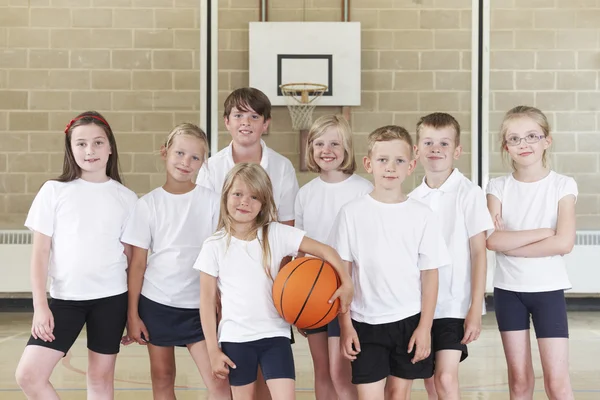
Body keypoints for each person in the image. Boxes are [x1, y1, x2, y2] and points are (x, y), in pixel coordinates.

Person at [196, 163, 354, 400]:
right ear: (226, 195)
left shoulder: (276, 234)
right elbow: (207, 302)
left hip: (274, 336)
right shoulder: (214, 245)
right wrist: (212, 350)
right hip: (235, 338)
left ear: (264, 203)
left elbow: (327, 251)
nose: (244, 202)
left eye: (254, 196)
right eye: (237, 194)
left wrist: (346, 283)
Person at [15, 111, 138, 399]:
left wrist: (133, 313)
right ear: (71, 149)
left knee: (100, 379)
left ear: (110, 147)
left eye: (97, 143)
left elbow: (133, 262)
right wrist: (40, 306)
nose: (89, 150)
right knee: (29, 375)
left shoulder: (127, 199)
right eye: (81, 143)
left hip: (111, 300)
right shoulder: (53, 192)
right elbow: (40, 253)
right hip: (64, 300)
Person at [330, 125, 451, 400]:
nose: (390, 167)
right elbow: (343, 277)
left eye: (399, 160)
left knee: (399, 394)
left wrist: (425, 327)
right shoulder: (351, 213)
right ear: (368, 164)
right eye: (383, 160)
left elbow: (430, 276)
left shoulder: (423, 215)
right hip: (364, 322)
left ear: (411, 165)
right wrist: (345, 324)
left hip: (408, 321)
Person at [121, 123, 231, 399]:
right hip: (156, 304)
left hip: (199, 307)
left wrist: (220, 299)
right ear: (165, 152)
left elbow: (223, 255)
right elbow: (137, 265)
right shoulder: (147, 204)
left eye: (195, 157)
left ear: (203, 163)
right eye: (180, 153)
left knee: (218, 382)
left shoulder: (212, 202)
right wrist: (132, 315)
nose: (186, 162)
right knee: (162, 378)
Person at [486, 106, 577, 400]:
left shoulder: (562, 185)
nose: (523, 144)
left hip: (547, 291)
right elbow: (492, 241)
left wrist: (512, 244)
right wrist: (543, 232)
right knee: (519, 381)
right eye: (514, 138)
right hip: (508, 291)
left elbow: (564, 243)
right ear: (506, 146)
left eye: (532, 136)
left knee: (556, 381)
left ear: (546, 141)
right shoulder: (497, 187)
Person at [409, 113, 493, 400]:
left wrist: (475, 308)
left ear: (457, 151)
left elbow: (479, 251)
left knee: (446, 377)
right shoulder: (412, 199)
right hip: (420, 306)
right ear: (416, 149)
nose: (436, 149)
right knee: (431, 379)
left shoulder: (469, 193)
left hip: (455, 305)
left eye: (444, 143)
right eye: (428, 142)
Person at [294, 114, 371, 400]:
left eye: (335, 143)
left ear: (347, 148)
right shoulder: (305, 194)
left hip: (350, 293)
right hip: (314, 293)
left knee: (343, 374)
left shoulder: (363, 190)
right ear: (310, 148)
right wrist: (298, 298)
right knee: (322, 371)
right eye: (319, 143)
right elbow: (300, 250)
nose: (326, 150)